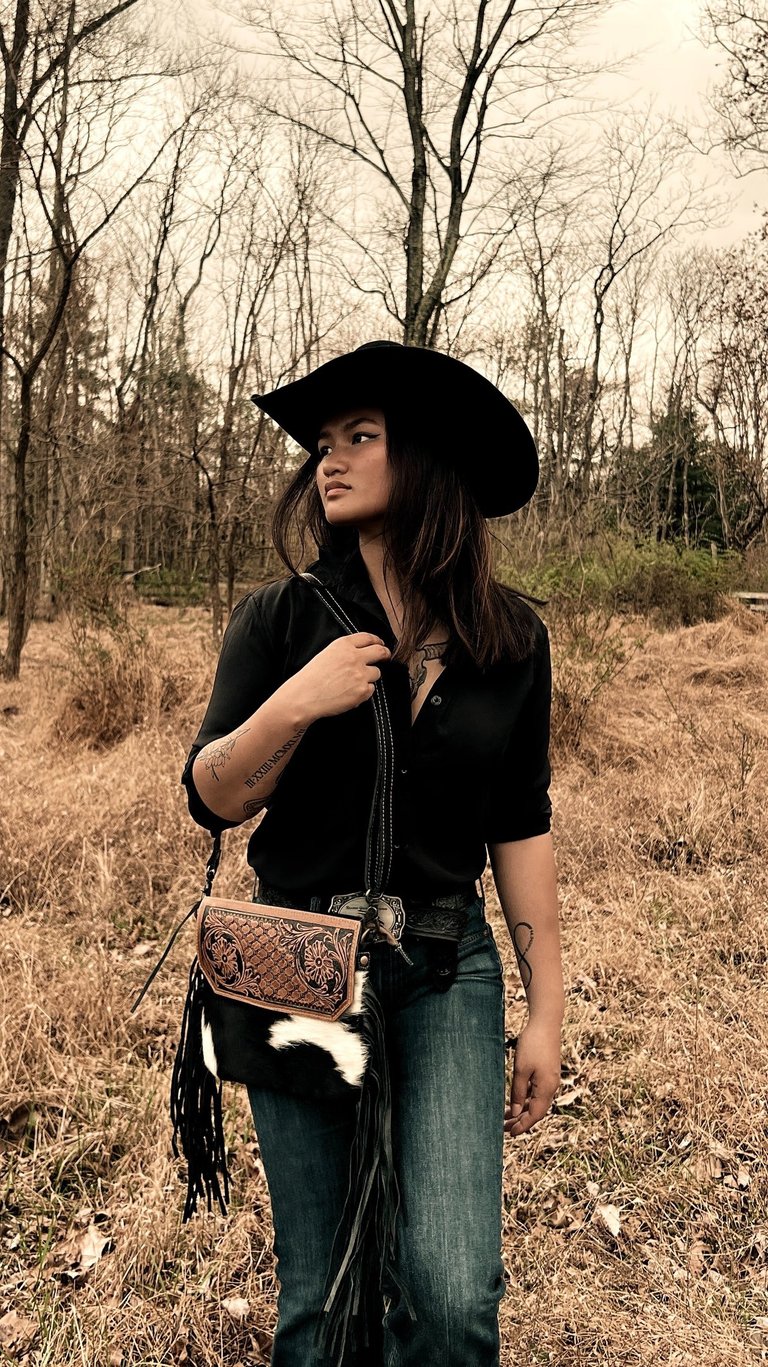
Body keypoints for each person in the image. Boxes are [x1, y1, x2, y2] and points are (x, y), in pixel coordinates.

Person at [180, 340, 565, 1367]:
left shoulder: (510, 640)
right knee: (321, 1291)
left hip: (445, 965)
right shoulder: (281, 616)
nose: (328, 460)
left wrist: (547, 1007)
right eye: (321, 444)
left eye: (360, 436)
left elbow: (520, 822)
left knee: (450, 1293)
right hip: (295, 961)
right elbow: (211, 795)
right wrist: (295, 702)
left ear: (427, 458)